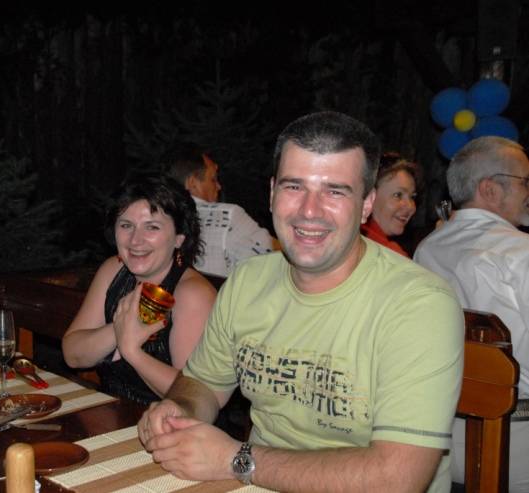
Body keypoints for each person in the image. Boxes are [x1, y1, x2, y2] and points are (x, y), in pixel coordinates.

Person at [138, 111, 464, 492]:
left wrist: (236, 459)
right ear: (272, 193)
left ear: (366, 204)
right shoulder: (248, 281)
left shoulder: (420, 305)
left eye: (335, 191)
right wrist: (180, 408)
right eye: (294, 186)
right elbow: (203, 384)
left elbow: (397, 478)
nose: (310, 210)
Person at [414, 136, 529, 492]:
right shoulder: (521, 254)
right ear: (490, 189)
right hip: (514, 449)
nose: (528, 193)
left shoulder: (427, 249)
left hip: (441, 443)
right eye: (525, 182)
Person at [62, 172, 216, 406]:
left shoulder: (193, 295)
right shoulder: (113, 270)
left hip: (170, 423)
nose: (135, 240)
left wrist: (131, 350)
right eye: (126, 225)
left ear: (179, 238)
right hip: (113, 413)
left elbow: (195, 396)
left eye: (152, 227)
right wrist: (119, 329)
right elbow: (72, 354)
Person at [165, 144, 280, 277]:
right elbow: (274, 254)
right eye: (213, 179)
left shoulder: (158, 218)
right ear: (192, 183)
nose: (219, 187)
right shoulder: (228, 216)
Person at [360, 152, 420, 256]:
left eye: (412, 197)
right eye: (398, 195)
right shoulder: (390, 255)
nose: (410, 207)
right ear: (369, 198)